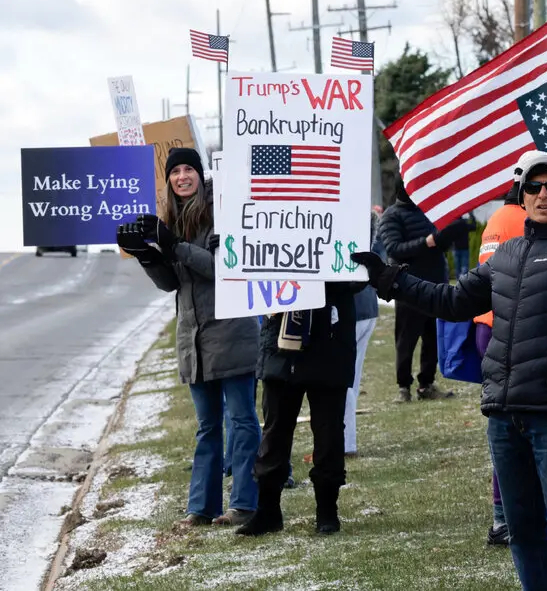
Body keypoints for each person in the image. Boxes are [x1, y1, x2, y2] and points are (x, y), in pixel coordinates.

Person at [353, 151, 547, 590]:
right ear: (522, 194)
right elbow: (452, 300)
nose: (543, 194)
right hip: (504, 413)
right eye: (533, 187)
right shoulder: (507, 254)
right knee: (523, 532)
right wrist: (391, 279)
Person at [116, 148, 260, 527]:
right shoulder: (171, 222)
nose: (182, 176)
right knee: (207, 427)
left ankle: (245, 503)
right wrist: (148, 256)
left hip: (232, 331)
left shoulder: (222, 212)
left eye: (188, 170)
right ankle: (202, 507)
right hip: (193, 340)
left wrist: (174, 246)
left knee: (243, 420)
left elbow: (225, 270)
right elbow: (171, 285)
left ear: (200, 174)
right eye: (175, 171)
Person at [237, 280, 365, 537]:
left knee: (329, 432)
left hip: (330, 336)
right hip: (280, 340)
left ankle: (327, 510)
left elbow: (358, 277)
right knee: (274, 431)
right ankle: (268, 510)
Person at [473, 180, 528, 547]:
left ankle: (501, 517)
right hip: (509, 330)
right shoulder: (524, 221)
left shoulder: (496, 218)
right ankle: (511, 517)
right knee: (523, 428)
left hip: (486, 328)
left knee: (503, 426)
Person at [378, 180, 456, 402]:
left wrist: (446, 237)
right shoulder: (391, 215)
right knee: (406, 340)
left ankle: (427, 384)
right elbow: (394, 249)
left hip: (435, 286)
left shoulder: (429, 210)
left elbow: (439, 242)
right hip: (407, 287)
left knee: (433, 339)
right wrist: (427, 242)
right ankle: (404, 387)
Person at [347, 213, 384, 457]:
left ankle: (346, 443)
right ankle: (345, 440)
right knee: (351, 379)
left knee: (344, 382)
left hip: (352, 309)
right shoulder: (369, 226)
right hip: (366, 306)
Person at [449, 213, 478, 278]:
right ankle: (464, 282)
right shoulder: (464, 224)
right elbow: (474, 227)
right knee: (464, 267)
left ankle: (458, 282)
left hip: (455, 248)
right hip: (464, 248)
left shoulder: (452, 224)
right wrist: (472, 215)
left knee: (457, 268)